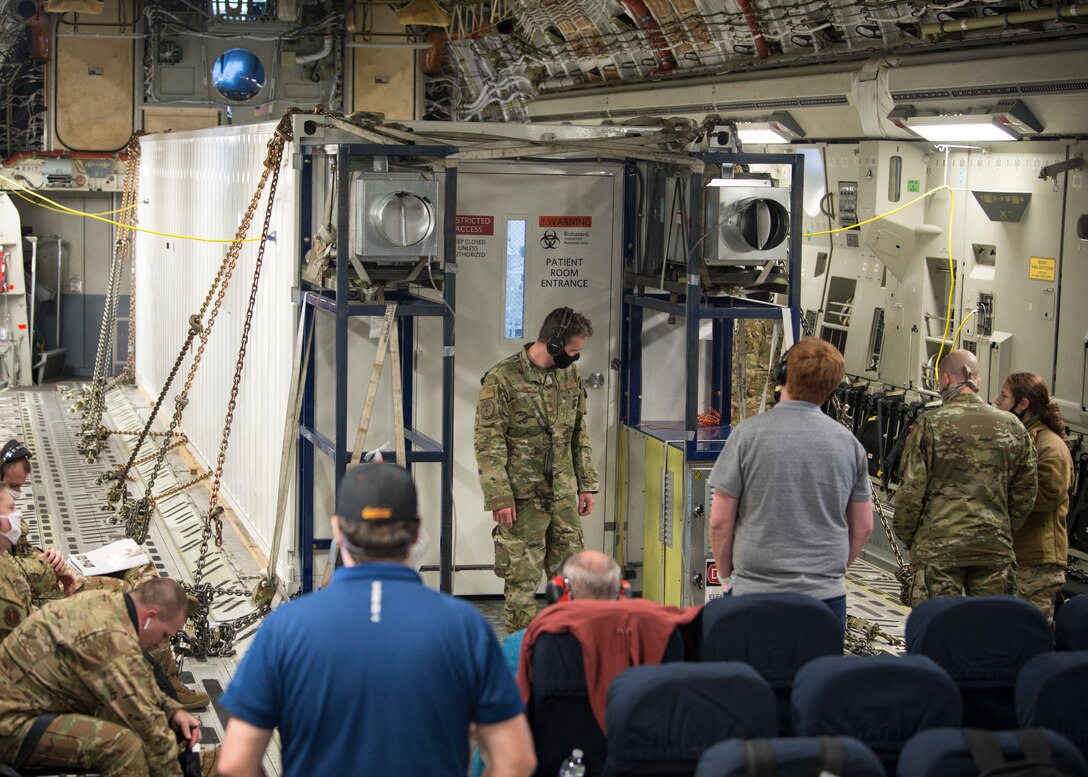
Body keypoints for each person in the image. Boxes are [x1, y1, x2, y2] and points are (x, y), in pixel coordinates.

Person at [218, 463, 535, 777]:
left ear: (337, 531)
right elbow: (516, 760)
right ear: (415, 531)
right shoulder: (466, 628)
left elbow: (236, 762)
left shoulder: (285, 628)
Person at [0, 473, 208, 710]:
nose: (16, 500)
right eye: (12, 500)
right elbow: (25, 614)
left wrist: (48, 556)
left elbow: (22, 556)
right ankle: (165, 675)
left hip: (47, 580)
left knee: (139, 567)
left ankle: (162, 659)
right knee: (138, 601)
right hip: (45, 598)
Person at [708, 336, 873, 626]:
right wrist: (830, 573)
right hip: (825, 599)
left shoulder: (747, 436)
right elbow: (863, 525)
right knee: (817, 672)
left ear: (784, 375)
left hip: (754, 593)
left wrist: (725, 577)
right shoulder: (849, 445)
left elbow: (720, 521)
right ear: (832, 386)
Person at [0, 577, 210, 777]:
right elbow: (148, 727)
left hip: (24, 705)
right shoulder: (110, 639)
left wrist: (173, 711)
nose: (161, 644)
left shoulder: (107, 604)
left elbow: (139, 680)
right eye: (165, 635)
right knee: (124, 747)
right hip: (10, 725)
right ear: (148, 618)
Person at [474, 306, 599, 633]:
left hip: (562, 498)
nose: (575, 358)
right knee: (522, 584)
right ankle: (521, 655)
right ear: (554, 343)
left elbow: (578, 433)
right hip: (522, 501)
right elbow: (488, 442)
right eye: (572, 350)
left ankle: (567, 650)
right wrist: (499, 496)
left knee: (571, 579)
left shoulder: (569, 376)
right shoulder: (501, 379)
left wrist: (586, 484)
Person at [894, 349, 1037, 606]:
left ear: (946, 380)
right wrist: (1001, 527)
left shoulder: (930, 425)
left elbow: (910, 493)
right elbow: (1026, 492)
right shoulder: (1013, 427)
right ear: (977, 381)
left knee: (936, 632)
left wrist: (910, 538)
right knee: (991, 632)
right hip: (993, 549)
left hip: (939, 548)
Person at [995, 372, 1073, 620]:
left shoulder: (1050, 447)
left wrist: (996, 490)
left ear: (1023, 404)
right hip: (1013, 557)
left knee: (1029, 637)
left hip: (1037, 563)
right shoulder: (1018, 439)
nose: (997, 402)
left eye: (1004, 396)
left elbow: (1046, 495)